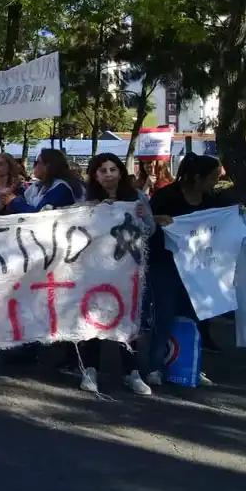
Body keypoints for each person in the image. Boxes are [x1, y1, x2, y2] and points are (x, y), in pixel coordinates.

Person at [146, 153, 226, 388]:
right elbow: (145, 224)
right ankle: (154, 367)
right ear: (197, 177)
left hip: (196, 268)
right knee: (164, 316)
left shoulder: (211, 199)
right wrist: (156, 220)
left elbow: (221, 224)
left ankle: (190, 364)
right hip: (165, 267)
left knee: (194, 317)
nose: (214, 183)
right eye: (212, 178)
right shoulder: (166, 196)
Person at [78, 153, 154, 396]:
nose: (108, 174)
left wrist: (143, 216)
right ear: (95, 175)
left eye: (113, 169)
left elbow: (150, 230)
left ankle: (131, 372)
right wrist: (93, 211)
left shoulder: (137, 198)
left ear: (120, 172)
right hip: (94, 270)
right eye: (103, 170)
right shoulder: (87, 199)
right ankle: (90, 370)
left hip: (127, 273)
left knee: (128, 319)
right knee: (93, 319)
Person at [6, 149, 82, 213]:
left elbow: (39, 214)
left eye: (36, 163)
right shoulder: (42, 184)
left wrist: (14, 200)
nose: (33, 166)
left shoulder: (61, 188)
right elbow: (25, 194)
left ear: (48, 166)